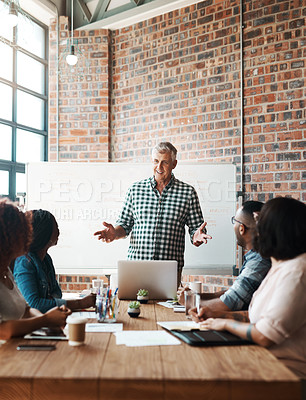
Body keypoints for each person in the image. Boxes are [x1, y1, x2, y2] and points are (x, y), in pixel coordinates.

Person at [199, 197, 306, 382]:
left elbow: (265, 335)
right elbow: (255, 316)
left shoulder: (297, 272)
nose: (256, 231)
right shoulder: (279, 266)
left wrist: (225, 324)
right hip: (262, 363)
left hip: (286, 377)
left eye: (261, 223)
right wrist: (215, 316)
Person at [94, 142, 212, 285]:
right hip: (137, 267)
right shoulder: (135, 190)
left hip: (169, 270)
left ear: (174, 164)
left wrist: (196, 236)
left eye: (165, 162)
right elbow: (124, 225)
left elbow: (196, 228)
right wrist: (114, 233)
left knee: (168, 307)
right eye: (156, 161)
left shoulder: (187, 193)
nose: (159, 167)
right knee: (134, 307)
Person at [180, 201, 271, 316]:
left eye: (235, 221)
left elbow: (229, 303)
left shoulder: (258, 262)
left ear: (241, 228)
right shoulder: (256, 256)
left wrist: (190, 302)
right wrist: (197, 296)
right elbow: (234, 292)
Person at [0, 199, 70, 340]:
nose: (29, 237)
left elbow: (27, 310)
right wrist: (45, 321)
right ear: (8, 237)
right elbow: (3, 330)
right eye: (23, 233)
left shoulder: (6, 269)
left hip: (21, 348)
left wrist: (49, 321)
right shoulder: (23, 262)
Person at [14, 209, 96, 313]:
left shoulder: (46, 259)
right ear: (44, 232)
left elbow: (56, 293)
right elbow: (34, 305)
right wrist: (80, 303)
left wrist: (48, 302)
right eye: (56, 227)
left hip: (49, 319)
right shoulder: (25, 262)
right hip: (36, 324)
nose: (59, 231)